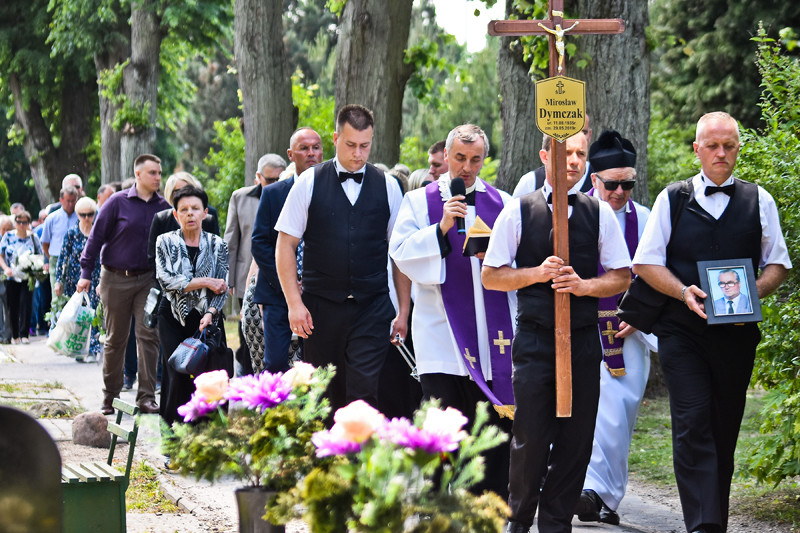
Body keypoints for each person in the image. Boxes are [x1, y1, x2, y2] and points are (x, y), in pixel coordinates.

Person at [632, 111, 791, 533]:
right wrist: (683, 291)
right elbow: (645, 263)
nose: (721, 153)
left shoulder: (761, 199)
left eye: (729, 146)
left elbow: (778, 264)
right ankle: (703, 525)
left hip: (737, 336)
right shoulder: (673, 198)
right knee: (692, 422)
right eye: (713, 146)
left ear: (738, 149)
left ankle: (713, 520)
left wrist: (753, 291)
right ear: (697, 149)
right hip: (681, 332)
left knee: (723, 427)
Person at [481, 132, 632, 533]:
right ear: (546, 155)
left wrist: (584, 286)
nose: (574, 161)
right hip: (534, 340)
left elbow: (621, 275)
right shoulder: (520, 210)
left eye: (581, 154)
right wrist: (536, 274)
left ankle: (555, 525)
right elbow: (491, 275)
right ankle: (518, 523)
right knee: (529, 440)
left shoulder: (598, 212)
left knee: (576, 443)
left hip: (583, 341)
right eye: (567, 153)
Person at [390, 123, 516, 497]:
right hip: (441, 336)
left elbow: (517, 260)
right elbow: (401, 255)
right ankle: (439, 502)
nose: (467, 167)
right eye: (460, 158)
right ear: (446, 156)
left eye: (475, 159)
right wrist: (441, 229)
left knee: (491, 429)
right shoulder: (418, 202)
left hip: (492, 338)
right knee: (444, 427)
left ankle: (490, 504)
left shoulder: (504, 204)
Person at [274, 105, 409, 411]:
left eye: (365, 146)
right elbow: (285, 245)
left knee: (364, 395)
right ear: (335, 139)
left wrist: (403, 309)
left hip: (372, 308)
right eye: (351, 145)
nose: (358, 154)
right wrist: (295, 304)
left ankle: (361, 458)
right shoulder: (308, 182)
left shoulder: (388, 185)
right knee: (324, 396)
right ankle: (328, 457)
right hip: (321, 309)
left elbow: (399, 253)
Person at [573, 130, 658, 525]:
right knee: (582, 412)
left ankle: (604, 497)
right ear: (595, 180)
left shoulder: (648, 219)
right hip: (580, 329)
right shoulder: (575, 214)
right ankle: (587, 490)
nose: (621, 192)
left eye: (628, 183)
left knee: (617, 415)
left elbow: (661, 273)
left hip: (631, 333)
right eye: (613, 184)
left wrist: (640, 316)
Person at [78, 153, 170, 416]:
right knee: (116, 339)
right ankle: (110, 396)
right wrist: (86, 272)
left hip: (147, 281)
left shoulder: (162, 207)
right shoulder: (117, 203)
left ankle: (146, 397)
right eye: (153, 173)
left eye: (159, 173)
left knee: (148, 337)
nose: (158, 178)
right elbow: (95, 238)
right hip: (115, 277)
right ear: (138, 174)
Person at [251, 127, 323, 373]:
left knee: (316, 365)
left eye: (316, 147)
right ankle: (279, 411)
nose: (311, 153)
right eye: (304, 148)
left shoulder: (332, 193)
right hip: (275, 293)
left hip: (320, 292)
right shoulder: (273, 194)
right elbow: (259, 243)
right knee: (276, 364)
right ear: (291, 154)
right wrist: (289, 282)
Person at [155, 186, 228, 426]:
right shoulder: (164, 242)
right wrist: (205, 281)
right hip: (173, 317)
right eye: (183, 210)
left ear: (205, 213)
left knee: (208, 377)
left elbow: (222, 287)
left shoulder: (218, 245)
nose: (190, 214)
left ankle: (206, 435)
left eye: (195, 209)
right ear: (175, 215)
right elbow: (167, 280)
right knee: (177, 373)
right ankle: (173, 438)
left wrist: (210, 312)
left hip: (207, 319)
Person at [225, 153, 287, 375]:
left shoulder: (289, 194)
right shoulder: (239, 198)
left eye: (279, 178)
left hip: (280, 273)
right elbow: (231, 238)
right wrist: (229, 277)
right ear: (258, 177)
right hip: (246, 274)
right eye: (269, 179)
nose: (274, 183)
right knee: (248, 330)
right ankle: (246, 375)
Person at [54, 197, 102, 362]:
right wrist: (58, 280)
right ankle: (78, 348)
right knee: (78, 316)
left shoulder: (99, 232)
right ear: (77, 215)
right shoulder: (72, 234)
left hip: (95, 279)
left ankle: (93, 349)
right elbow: (62, 258)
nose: (87, 218)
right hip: (75, 280)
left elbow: (105, 257)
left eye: (90, 214)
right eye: (83, 215)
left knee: (94, 314)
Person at [512, 114, 593, 198]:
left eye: (583, 132)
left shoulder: (601, 185)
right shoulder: (530, 183)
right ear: (544, 156)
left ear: (589, 135)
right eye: (566, 153)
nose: (574, 161)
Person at [0, 210, 44, 345]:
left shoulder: (33, 237)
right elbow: (1, 255)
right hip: (12, 277)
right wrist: (6, 268)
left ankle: (24, 333)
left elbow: (40, 255)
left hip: (27, 277)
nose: (21, 225)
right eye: (18, 222)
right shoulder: (8, 236)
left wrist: (35, 267)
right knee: (12, 305)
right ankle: (15, 335)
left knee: (26, 304)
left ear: (28, 223)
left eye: (24, 222)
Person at [41, 185, 79, 309]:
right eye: (68, 201)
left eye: (74, 201)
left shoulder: (81, 217)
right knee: (57, 296)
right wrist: (51, 259)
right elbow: (45, 243)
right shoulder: (52, 218)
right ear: (61, 200)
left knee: (76, 297)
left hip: (76, 261)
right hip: (56, 260)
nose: (71, 204)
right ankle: (55, 325)